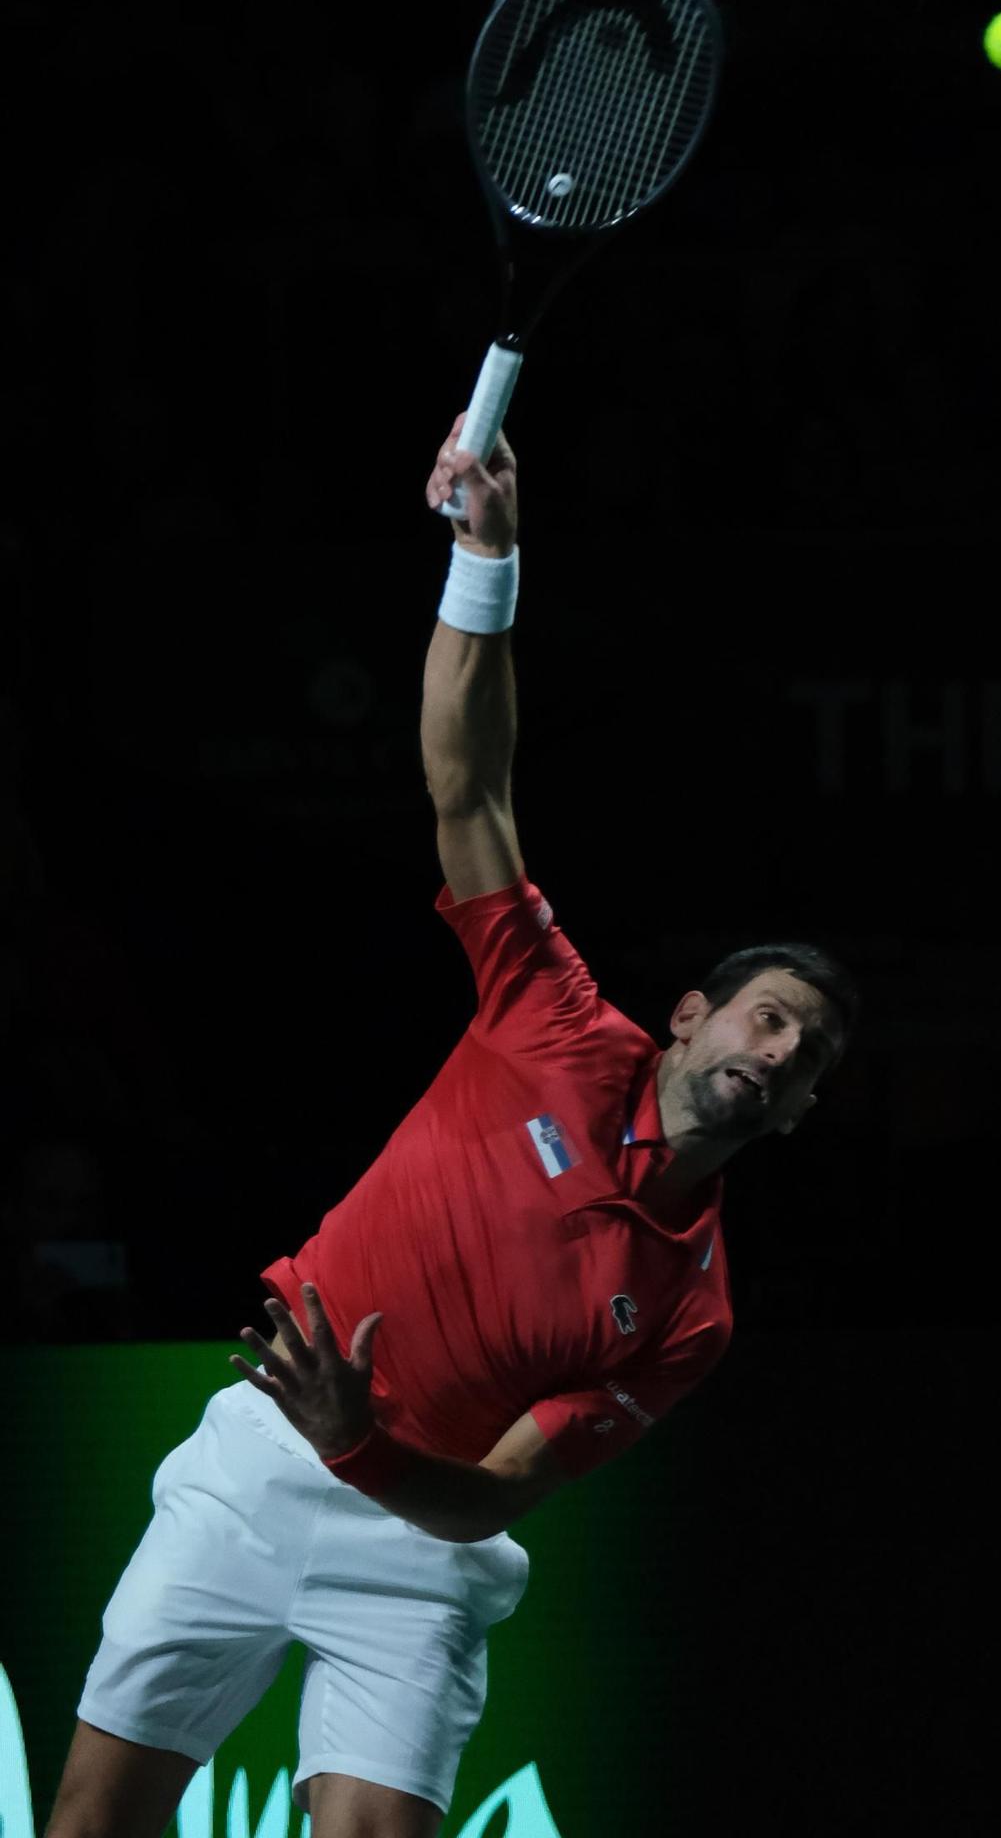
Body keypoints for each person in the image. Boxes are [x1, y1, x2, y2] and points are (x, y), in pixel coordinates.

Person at [45, 420, 859, 1838]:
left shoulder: (690, 1311)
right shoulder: (549, 1018)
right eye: (767, 1016)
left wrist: (364, 1447)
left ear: (793, 1114)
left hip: (415, 1542)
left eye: (803, 1057)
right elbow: (465, 785)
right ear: (690, 1018)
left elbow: (490, 1497)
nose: (777, 1049)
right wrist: (486, 556)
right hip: (257, 1472)